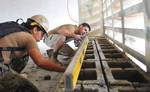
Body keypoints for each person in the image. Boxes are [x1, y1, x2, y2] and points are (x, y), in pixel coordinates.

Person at [0, 15, 65, 92]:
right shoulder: (29, 37)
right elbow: (40, 62)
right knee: (29, 89)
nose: (42, 38)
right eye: (42, 34)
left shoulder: (14, 28)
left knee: (24, 53)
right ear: (35, 29)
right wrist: (63, 69)